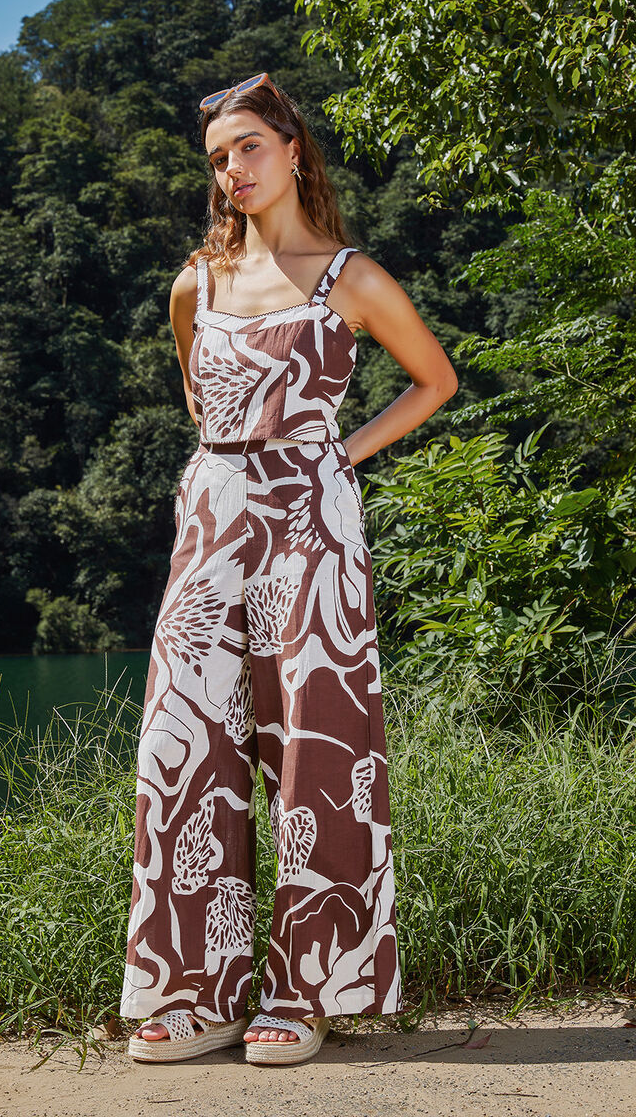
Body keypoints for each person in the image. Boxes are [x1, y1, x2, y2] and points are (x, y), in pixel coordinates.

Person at [119, 73, 458, 1067]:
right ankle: (199, 989)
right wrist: (234, 471)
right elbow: (202, 401)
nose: (234, 169)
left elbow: (434, 380)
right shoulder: (195, 283)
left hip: (313, 522)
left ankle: (306, 989)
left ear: (293, 150)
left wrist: (335, 456)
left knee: (318, 746)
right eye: (219, 158)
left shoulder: (351, 278)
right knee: (187, 739)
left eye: (250, 147)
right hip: (212, 521)